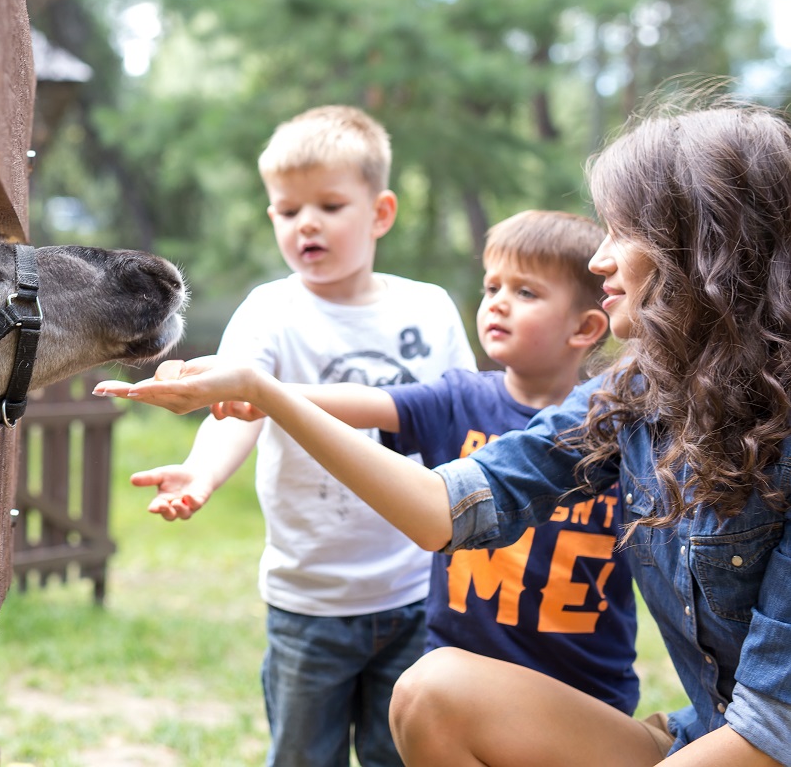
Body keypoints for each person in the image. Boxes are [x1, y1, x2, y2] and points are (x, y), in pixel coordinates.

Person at [102, 104, 791, 766]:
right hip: (705, 734)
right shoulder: (636, 396)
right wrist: (263, 392)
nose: (601, 262)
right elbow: (449, 507)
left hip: (757, 749)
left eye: (623, 233)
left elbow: (772, 732)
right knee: (433, 691)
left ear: (704, 247)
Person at [134, 209, 639, 715]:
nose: (498, 305)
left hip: (586, 686)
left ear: (586, 326)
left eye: (525, 293)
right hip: (465, 674)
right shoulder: (457, 399)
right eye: (491, 288)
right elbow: (368, 401)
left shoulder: (620, 427)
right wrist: (257, 390)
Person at [131, 105, 476, 767]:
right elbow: (234, 406)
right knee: (301, 756)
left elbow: (462, 416)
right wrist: (201, 473)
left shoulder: (427, 308)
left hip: (415, 591)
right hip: (309, 598)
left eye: (329, 205)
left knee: (398, 752)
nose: (306, 223)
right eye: (288, 211)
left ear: (379, 213)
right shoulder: (272, 311)